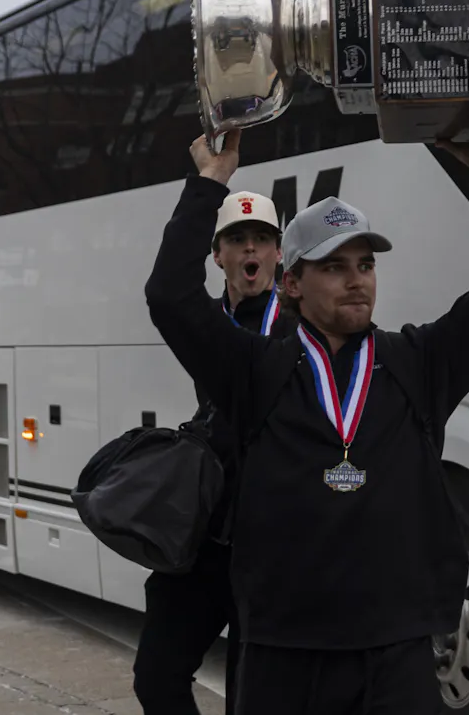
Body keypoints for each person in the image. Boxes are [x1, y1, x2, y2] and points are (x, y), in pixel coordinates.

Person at [145, 119, 469, 714]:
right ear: (292, 284)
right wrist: (211, 180)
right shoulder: (255, 372)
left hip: (398, 657)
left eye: (365, 264)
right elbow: (169, 297)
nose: (356, 280)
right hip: (284, 656)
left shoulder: (417, 364)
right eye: (333, 266)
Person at [134, 187, 290, 715]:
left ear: (278, 252)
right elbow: (165, 291)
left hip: (268, 552)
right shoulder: (205, 323)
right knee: (155, 678)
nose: (251, 250)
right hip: (203, 544)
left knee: (252, 700)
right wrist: (208, 181)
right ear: (217, 254)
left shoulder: (297, 330)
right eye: (237, 239)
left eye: (262, 239)